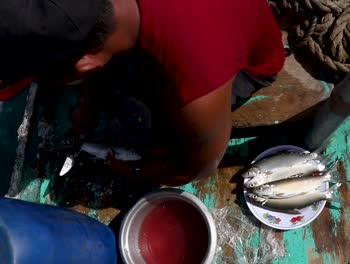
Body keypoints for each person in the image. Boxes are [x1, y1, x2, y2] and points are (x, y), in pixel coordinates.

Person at [0, 0, 285, 186]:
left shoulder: (198, 90)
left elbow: (198, 167)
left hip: (247, 63)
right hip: (194, 26)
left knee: (137, 125)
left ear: (87, 63)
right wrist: (88, 99)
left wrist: (137, 169)